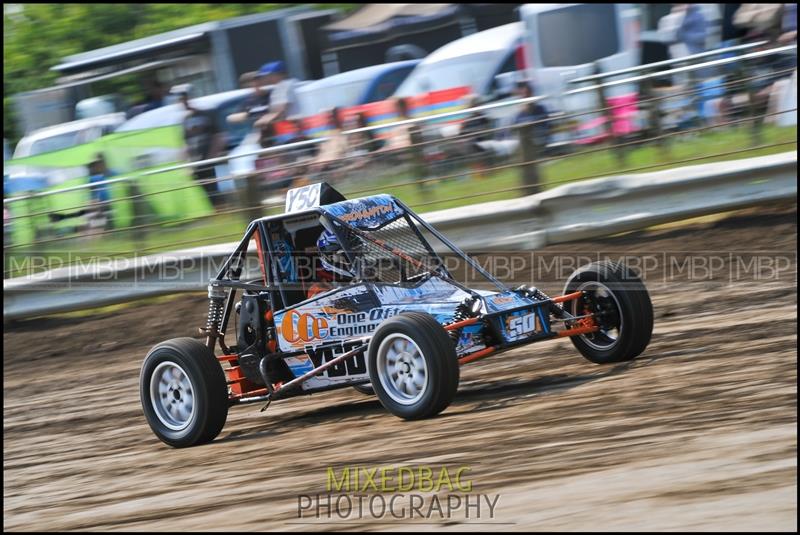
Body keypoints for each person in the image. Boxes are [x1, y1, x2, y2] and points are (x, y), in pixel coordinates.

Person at [175, 85, 223, 206]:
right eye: (182, 100)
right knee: (206, 193)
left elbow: (218, 137)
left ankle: (224, 211)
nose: (184, 102)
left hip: (209, 161)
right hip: (196, 163)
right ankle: (218, 213)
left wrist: (212, 157)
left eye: (186, 98)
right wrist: (186, 165)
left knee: (216, 190)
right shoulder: (184, 120)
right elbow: (185, 144)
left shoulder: (206, 115)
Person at [307, 229, 355, 298]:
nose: (351, 256)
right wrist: (352, 288)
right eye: (343, 253)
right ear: (329, 257)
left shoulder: (366, 264)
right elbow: (323, 304)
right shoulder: (319, 285)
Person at [254, 61, 300, 130]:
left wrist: (259, 122)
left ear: (280, 75)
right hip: (298, 125)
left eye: (268, 76)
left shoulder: (283, 86)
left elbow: (277, 111)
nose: (266, 79)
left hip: (294, 128)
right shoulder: (294, 82)